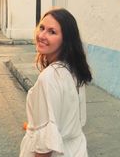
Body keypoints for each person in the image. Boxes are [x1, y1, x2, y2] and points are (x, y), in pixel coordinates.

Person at [19, 8, 92, 157]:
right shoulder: (74, 71)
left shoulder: (49, 77)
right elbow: (67, 120)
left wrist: (41, 132)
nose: (42, 35)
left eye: (52, 32)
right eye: (42, 28)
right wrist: (33, 127)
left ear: (66, 40)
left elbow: (45, 148)